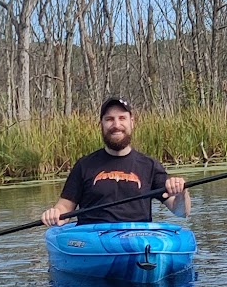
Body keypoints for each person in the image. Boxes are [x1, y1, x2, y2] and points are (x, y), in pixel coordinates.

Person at [41, 97, 188, 227]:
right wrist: (55, 213)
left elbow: (181, 212)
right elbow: (64, 207)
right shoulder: (84, 166)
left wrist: (181, 191)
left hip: (136, 241)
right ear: (101, 124)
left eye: (122, 118)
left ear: (132, 122)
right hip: (93, 242)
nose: (116, 125)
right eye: (109, 119)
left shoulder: (149, 166)